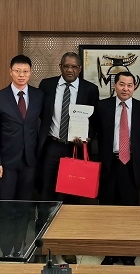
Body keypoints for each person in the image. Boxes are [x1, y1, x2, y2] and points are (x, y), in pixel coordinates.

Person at [37, 52, 99, 265]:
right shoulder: (46, 85)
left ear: (80, 69)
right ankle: (43, 245)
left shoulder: (90, 89)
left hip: (75, 149)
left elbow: (95, 121)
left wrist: (88, 138)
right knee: (46, 197)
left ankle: (69, 246)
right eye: (66, 66)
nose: (70, 70)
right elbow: (34, 106)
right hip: (51, 146)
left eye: (74, 67)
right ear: (60, 67)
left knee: (72, 200)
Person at [0, 54, 43, 257]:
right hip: (5, 164)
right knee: (6, 207)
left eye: (25, 71)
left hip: (29, 162)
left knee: (24, 207)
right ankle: (6, 249)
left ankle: (20, 247)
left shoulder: (38, 95)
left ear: (30, 73)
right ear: (10, 72)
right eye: (17, 71)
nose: (21, 75)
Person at [97, 71, 140, 266]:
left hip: (130, 164)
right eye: (122, 84)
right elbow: (96, 134)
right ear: (115, 85)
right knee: (108, 210)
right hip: (108, 164)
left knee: (130, 210)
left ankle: (128, 253)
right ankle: (109, 252)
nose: (125, 89)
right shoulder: (102, 107)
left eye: (130, 85)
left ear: (134, 87)